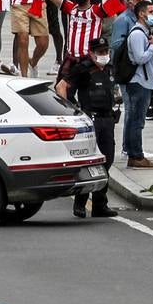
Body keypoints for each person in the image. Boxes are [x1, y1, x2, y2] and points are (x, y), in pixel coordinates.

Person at [56, 37, 119, 219]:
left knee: (106, 161)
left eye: (105, 51)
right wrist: (73, 110)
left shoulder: (109, 68)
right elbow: (61, 87)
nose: (104, 55)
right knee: (88, 162)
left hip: (107, 120)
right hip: (90, 121)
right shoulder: (82, 68)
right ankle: (81, 202)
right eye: (100, 52)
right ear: (91, 53)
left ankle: (100, 204)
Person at [122, 0, 153, 169]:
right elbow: (139, 58)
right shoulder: (138, 34)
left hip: (143, 81)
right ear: (141, 14)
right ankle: (136, 156)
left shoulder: (144, 32)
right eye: (150, 12)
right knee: (137, 121)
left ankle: (134, 155)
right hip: (139, 82)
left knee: (135, 120)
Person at [46, 0, 110, 78]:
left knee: (89, 92)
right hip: (71, 58)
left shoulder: (97, 11)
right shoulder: (71, 8)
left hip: (89, 59)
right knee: (61, 88)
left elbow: (112, 4)